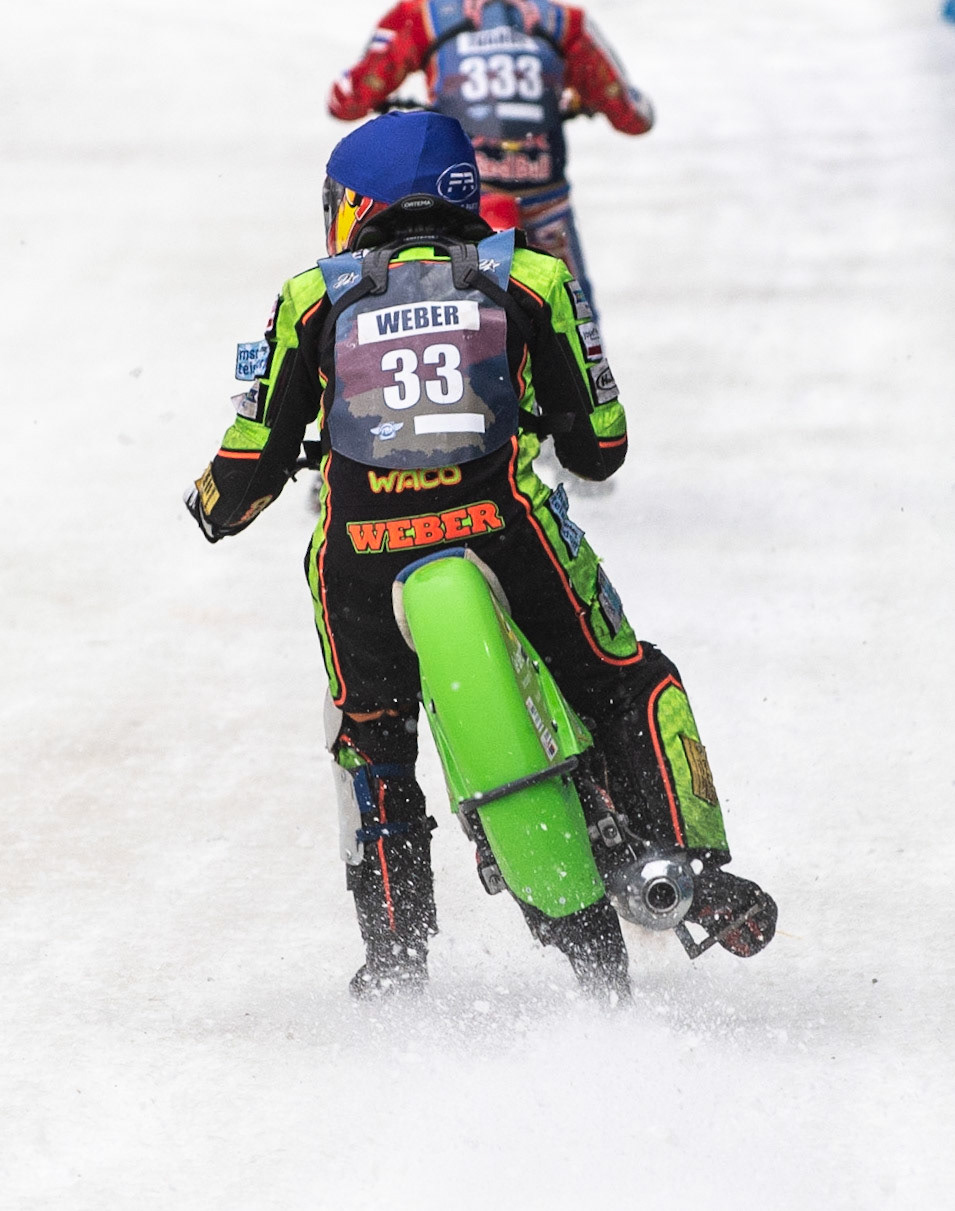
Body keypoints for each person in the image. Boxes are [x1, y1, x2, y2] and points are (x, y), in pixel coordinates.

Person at [185, 110, 775, 1000]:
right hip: (505, 530)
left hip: (362, 554)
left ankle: (395, 956)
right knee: (625, 679)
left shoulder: (309, 296)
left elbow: (249, 458)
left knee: (370, 739)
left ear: (355, 206)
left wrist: (211, 504)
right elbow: (600, 446)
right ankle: (690, 868)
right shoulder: (531, 277)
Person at [326, 0, 655, 313]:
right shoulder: (565, 20)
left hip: (460, 201)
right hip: (545, 204)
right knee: (575, 314)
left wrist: (378, 98)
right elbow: (635, 117)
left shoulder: (421, 14)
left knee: (437, 307)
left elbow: (344, 101)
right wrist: (588, 101)